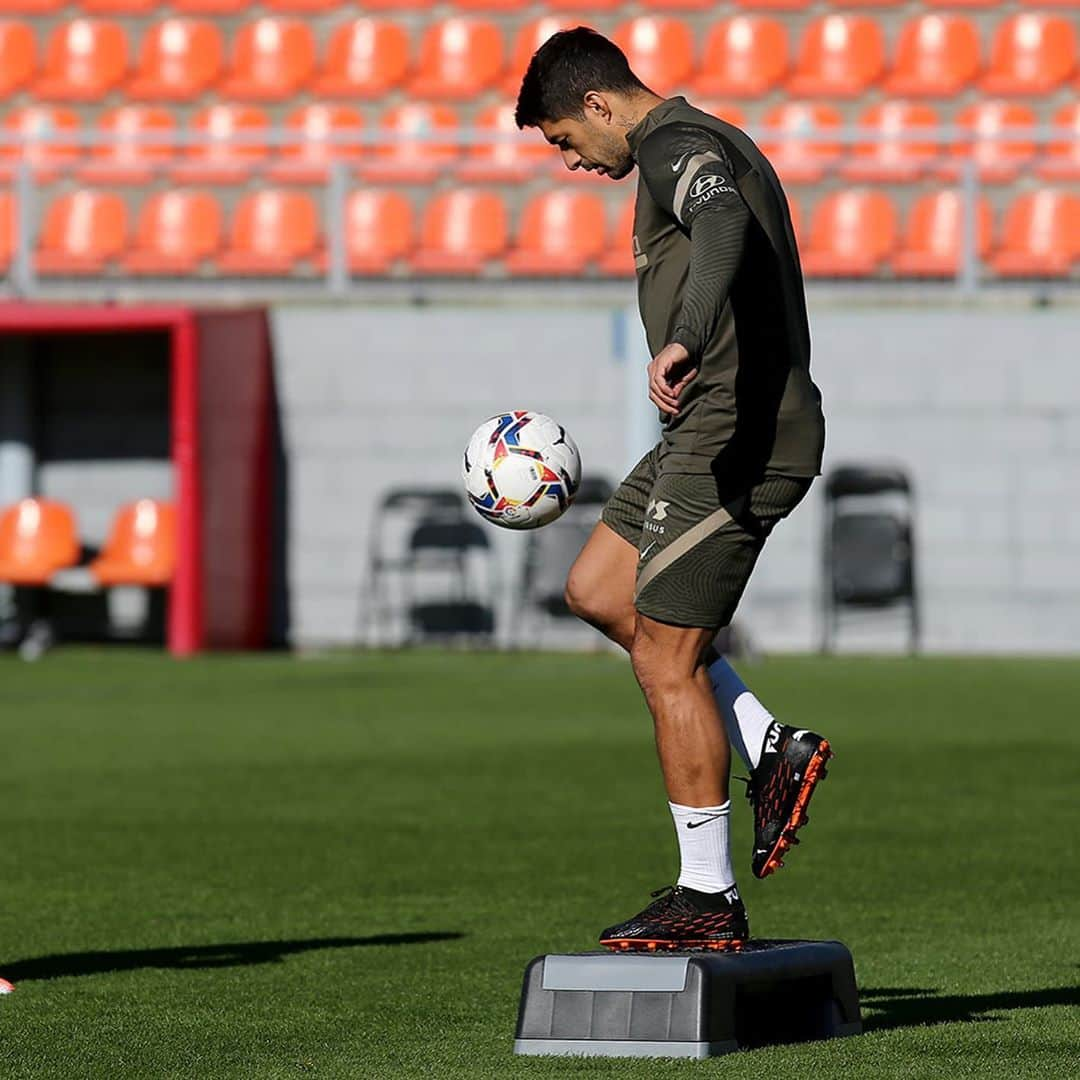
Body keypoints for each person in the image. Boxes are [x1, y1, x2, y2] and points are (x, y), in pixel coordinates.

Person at [515, 28, 831, 951]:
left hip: (739, 437)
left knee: (665, 658)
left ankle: (710, 898)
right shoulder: (697, 138)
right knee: (598, 591)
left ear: (600, 105)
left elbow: (723, 217)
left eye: (567, 141)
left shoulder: (671, 146)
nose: (573, 162)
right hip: (701, 431)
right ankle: (771, 745)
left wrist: (685, 334)